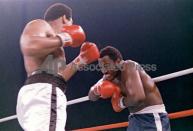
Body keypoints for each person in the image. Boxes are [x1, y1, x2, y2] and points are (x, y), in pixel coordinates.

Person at [16, 3, 99, 131]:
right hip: (43, 94)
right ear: (65, 18)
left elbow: (57, 77)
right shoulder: (41, 25)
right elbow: (29, 45)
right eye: (71, 22)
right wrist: (65, 37)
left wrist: (81, 60)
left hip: (43, 92)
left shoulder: (54, 44)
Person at [88, 46, 170, 131]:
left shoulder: (129, 65)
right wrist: (96, 89)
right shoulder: (110, 76)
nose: (103, 70)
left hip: (151, 117)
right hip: (134, 119)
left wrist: (119, 103)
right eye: (101, 67)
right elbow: (91, 96)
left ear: (118, 61)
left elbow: (138, 97)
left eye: (106, 65)